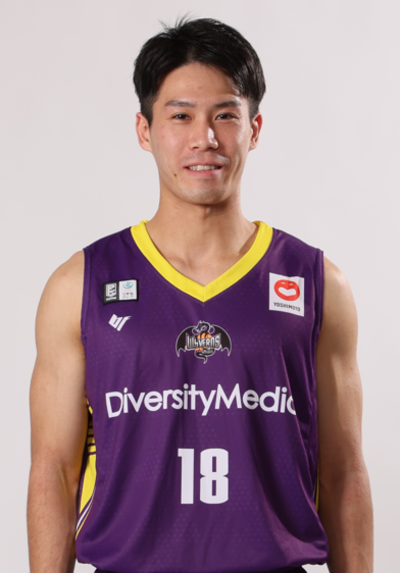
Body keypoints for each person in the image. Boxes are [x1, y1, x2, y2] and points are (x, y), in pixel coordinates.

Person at [27, 17, 373, 573]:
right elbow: (53, 470)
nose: (204, 139)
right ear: (144, 130)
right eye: (181, 115)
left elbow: (344, 472)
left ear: (254, 129)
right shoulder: (80, 285)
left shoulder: (317, 284)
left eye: (226, 116)